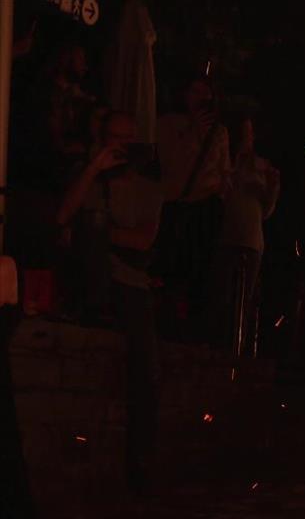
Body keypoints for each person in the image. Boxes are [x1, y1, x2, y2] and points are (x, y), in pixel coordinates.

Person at [57, 111, 163, 491]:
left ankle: (141, 464)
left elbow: (143, 240)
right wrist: (92, 170)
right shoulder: (89, 178)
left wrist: (97, 233)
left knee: (145, 372)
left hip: (131, 284)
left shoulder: (148, 188)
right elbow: (62, 216)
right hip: (94, 282)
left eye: (126, 139)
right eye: (112, 138)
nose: (119, 146)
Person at [155, 76, 231, 339]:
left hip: (206, 206)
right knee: (172, 267)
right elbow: (170, 163)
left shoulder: (219, 132)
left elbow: (223, 169)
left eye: (205, 93)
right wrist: (192, 132)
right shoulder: (167, 124)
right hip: (177, 202)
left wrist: (221, 189)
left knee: (201, 268)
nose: (199, 98)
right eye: (194, 91)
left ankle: (195, 326)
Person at [206, 117, 280, 352]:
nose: (246, 138)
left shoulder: (262, 167)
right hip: (228, 236)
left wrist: (273, 187)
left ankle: (239, 347)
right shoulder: (225, 162)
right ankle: (217, 344)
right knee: (221, 295)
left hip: (251, 239)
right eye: (243, 133)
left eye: (250, 133)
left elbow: (266, 211)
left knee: (244, 298)